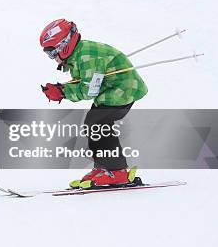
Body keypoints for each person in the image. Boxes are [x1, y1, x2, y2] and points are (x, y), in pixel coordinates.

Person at [39, 19, 148, 189]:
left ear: (64, 45)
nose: (52, 58)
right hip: (111, 91)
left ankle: (117, 171)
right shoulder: (79, 54)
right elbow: (84, 82)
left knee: (97, 124)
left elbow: (89, 90)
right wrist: (62, 88)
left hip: (123, 90)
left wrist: (62, 92)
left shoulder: (87, 57)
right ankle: (104, 166)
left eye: (52, 53)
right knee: (93, 124)